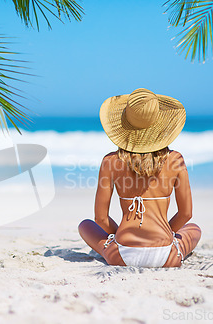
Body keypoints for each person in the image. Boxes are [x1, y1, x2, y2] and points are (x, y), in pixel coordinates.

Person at [78, 88, 201, 268]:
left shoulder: (110, 161)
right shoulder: (175, 160)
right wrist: (166, 232)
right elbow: (186, 214)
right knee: (194, 229)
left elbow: (101, 219)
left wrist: (118, 234)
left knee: (85, 225)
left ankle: (115, 244)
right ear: (161, 126)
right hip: (166, 256)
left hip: (122, 253)